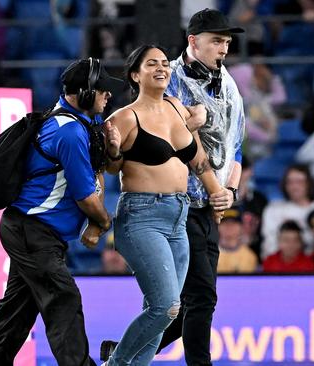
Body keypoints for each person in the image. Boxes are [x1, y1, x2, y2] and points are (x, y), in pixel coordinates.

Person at [0, 58, 120, 366]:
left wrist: (112, 150)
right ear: (84, 93)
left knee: (17, 311)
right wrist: (103, 221)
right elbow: (87, 198)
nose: (108, 96)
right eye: (102, 90)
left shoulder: (71, 121)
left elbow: (100, 170)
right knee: (63, 298)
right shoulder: (69, 132)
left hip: (27, 229)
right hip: (33, 232)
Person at [100, 44, 225, 366]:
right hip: (142, 216)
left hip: (179, 216)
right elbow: (110, 169)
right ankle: (115, 363)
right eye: (151, 64)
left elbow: (196, 157)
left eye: (164, 64)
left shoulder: (175, 106)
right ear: (135, 74)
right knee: (166, 306)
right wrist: (113, 151)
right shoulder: (124, 117)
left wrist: (216, 192)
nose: (161, 68)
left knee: (166, 310)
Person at [156, 9, 246, 364]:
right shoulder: (172, 80)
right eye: (216, 41)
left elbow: (235, 146)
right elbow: (182, 142)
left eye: (226, 41)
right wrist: (215, 190)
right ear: (193, 41)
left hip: (212, 205)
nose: (224, 48)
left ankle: (123, 352)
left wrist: (230, 193)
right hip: (178, 202)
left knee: (190, 301)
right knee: (202, 297)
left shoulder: (229, 82)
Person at [217, 208, 258, 274]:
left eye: (234, 223)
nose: (229, 226)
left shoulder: (249, 256)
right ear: (218, 227)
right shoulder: (207, 253)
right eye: (225, 223)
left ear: (241, 227)